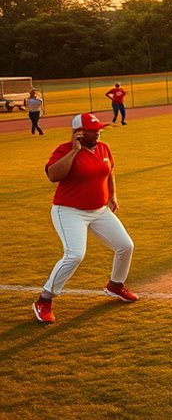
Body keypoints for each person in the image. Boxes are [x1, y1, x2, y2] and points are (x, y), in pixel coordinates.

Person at [32, 113, 137, 324]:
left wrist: (112, 195)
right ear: (79, 132)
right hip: (69, 211)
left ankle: (115, 286)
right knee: (75, 255)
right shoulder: (64, 150)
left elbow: (110, 172)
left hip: (99, 211)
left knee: (126, 245)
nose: (98, 132)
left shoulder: (104, 147)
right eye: (93, 129)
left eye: (99, 128)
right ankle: (44, 300)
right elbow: (54, 175)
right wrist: (74, 150)